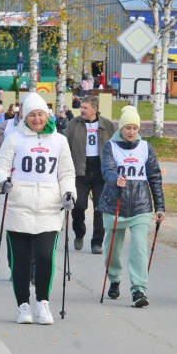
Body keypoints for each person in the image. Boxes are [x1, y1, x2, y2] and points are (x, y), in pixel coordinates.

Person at [0, 92, 76, 324]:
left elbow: (66, 173)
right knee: (21, 259)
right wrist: (3, 181)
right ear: (24, 117)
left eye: (40, 114)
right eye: (31, 115)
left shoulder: (59, 140)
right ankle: (23, 305)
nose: (36, 119)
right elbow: (0, 167)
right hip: (19, 204)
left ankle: (43, 302)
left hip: (49, 206)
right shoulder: (15, 138)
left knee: (45, 257)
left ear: (46, 115)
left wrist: (69, 193)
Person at [97, 106, 165, 306]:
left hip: (141, 205)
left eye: (135, 128)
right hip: (114, 204)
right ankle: (114, 279)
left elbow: (154, 177)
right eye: (128, 127)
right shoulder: (110, 146)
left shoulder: (146, 147)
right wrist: (115, 178)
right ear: (121, 127)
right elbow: (107, 169)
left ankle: (138, 290)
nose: (132, 132)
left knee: (139, 247)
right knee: (112, 248)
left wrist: (160, 206)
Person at [64, 95, 116, 253]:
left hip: (101, 172)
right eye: (81, 107)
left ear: (95, 109)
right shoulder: (74, 124)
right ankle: (79, 233)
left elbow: (116, 146)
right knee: (78, 205)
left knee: (100, 207)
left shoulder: (107, 125)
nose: (82, 110)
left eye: (85, 108)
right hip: (80, 171)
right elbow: (65, 147)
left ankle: (97, 242)